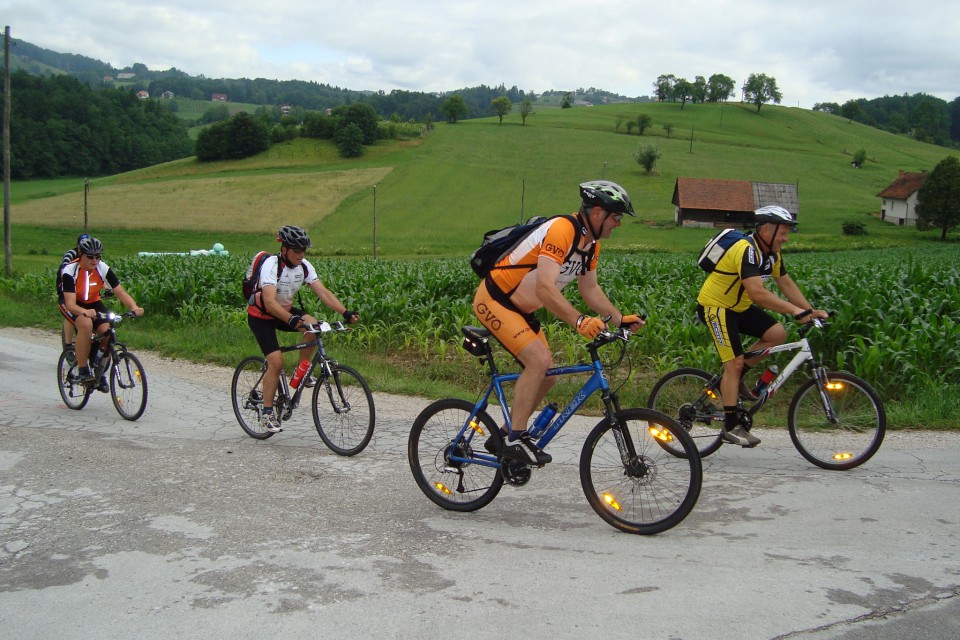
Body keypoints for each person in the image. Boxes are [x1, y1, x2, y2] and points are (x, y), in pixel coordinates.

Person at [472, 180, 645, 466]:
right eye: (616, 217)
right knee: (538, 361)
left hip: (521, 310)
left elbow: (589, 289)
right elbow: (544, 288)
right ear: (598, 213)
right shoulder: (562, 230)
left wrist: (619, 319)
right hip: (494, 300)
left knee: (548, 373)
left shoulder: (591, 245)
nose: (619, 224)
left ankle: (503, 436)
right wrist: (579, 321)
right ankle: (516, 437)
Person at [696, 205, 829, 447]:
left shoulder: (771, 255)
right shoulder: (746, 249)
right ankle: (731, 426)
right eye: (783, 232)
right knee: (733, 362)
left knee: (777, 333)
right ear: (767, 230)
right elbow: (757, 293)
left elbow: (785, 283)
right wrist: (793, 310)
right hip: (716, 307)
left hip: (738, 307)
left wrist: (809, 311)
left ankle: (736, 378)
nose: (786, 238)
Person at [246, 225, 360, 433]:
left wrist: (345, 313)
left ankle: (302, 372)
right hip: (262, 317)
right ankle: (268, 412)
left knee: (313, 326)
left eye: (303, 250)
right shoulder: (271, 266)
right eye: (296, 250)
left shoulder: (304, 266)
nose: (301, 255)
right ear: (284, 250)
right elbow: (270, 303)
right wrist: (291, 319)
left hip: (285, 312)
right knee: (276, 362)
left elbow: (323, 293)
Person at [59, 236, 145, 387]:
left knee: (107, 331)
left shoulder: (102, 268)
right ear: (81, 255)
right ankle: (83, 370)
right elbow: (71, 304)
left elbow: (120, 292)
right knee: (85, 325)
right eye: (90, 257)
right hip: (71, 303)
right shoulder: (70, 271)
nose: (94, 260)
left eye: (98, 256)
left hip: (93, 302)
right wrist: (84, 312)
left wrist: (134, 307)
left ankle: (98, 368)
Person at [57, 233, 91, 350]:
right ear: (78, 246)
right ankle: (67, 345)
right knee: (70, 315)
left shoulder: (91, 256)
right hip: (67, 284)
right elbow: (64, 270)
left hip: (82, 287)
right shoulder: (71, 254)